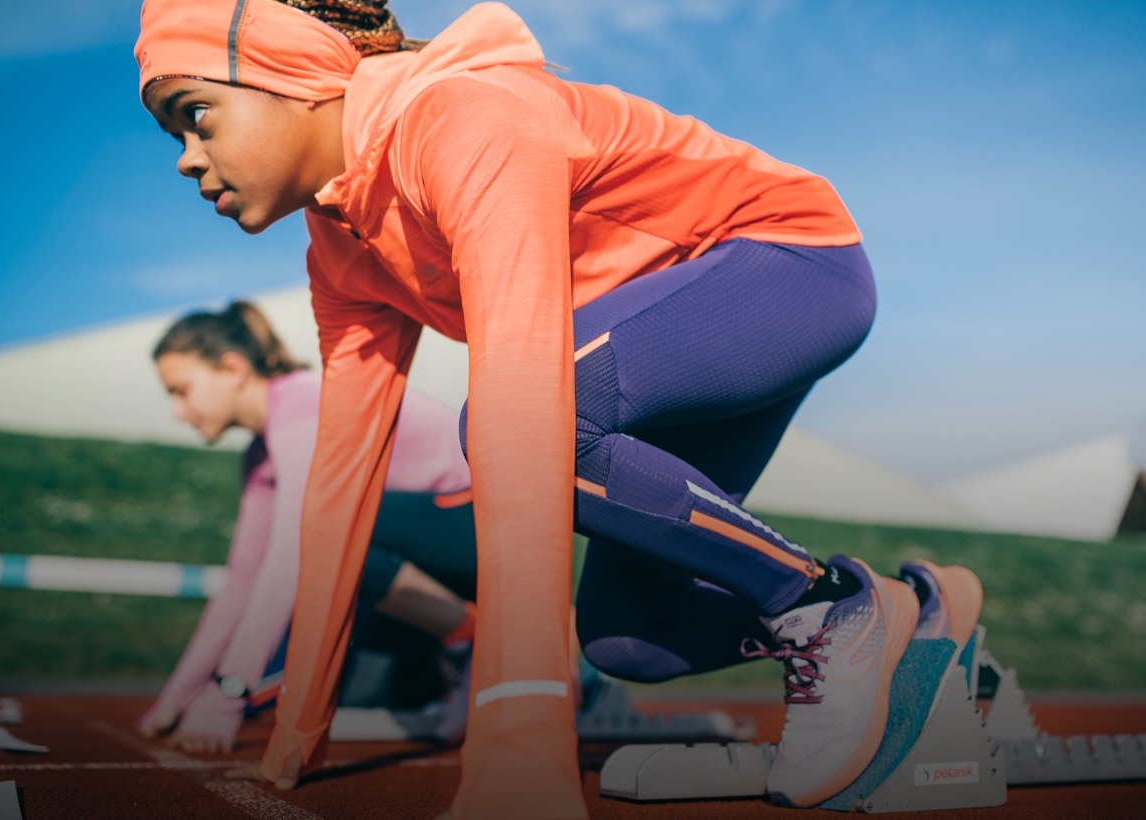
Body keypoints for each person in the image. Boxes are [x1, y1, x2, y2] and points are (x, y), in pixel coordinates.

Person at [134, 2, 982, 815]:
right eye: (172, 132)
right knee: (629, 643)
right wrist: (298, 725)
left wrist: (521, 741)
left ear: (296, 72)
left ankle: (827, 620)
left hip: (788, 268)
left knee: (521, 422)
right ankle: (873, 605)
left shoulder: (462, 117)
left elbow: (522, 402)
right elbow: (339, 482)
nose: (184, 156)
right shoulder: (339, 250)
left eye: (197, 113)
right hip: (643, 358)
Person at [140, 300, 478, 753]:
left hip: (478, 522)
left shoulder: (300, 403)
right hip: (419, 547)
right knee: (293, 667)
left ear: (232, 369)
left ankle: (467, 636)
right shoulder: (260, 460)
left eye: (180, 390)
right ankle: (445, 649)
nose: (178, 411)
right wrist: (177, 699)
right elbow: (241, 583)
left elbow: (295, 554)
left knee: (322, 528)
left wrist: (228, 693)